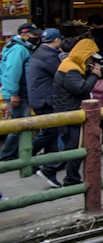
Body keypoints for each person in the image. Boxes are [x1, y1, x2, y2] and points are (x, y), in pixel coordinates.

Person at [37, 38, 102, 188]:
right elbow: (80, 89)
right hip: (70, 112)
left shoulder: (72, 66)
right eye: (90, 58)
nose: (91, 61)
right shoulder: (71, 69)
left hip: (69, 110)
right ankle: (52, 170)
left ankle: (70, 176)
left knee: (75, 146)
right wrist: (94, 76)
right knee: (73, 146)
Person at [0, 23, 41, 161]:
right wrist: (13, 93)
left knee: (21, 126)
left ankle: (16, 155)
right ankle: (7, 157)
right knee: (20, 126)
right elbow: (12, 72)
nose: (37, 38)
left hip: (21, 92)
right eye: (33, 35)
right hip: (18, 94)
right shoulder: (18, 49)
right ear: (24, 35)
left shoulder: (21, 47)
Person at [27, 28, 64, 165]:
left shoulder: (41, 51)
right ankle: (27, 156)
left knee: (52, 131)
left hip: (39, 96)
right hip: (44, 99)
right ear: (56, 40)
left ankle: (51, 162)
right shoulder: (48, 56)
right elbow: (60, 73)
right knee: (49, 131)